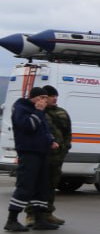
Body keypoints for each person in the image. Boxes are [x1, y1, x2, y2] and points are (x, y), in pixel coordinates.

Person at [6, 86, 60, 232]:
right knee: (26, 185)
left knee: (41, 186)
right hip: (29, 152)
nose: (44, 100)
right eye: (40, 98)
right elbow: (28, 126)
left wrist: (50, 140)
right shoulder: (21, 108)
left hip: (42, 152)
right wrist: (38, 111)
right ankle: (12, 219)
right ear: (33, 98)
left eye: (45, 98)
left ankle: (40, 219)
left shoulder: (40, 111)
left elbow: (44, 129)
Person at [27, 84, 71, 226]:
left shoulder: (62, 113)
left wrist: (65, 148)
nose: (54, 98)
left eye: (55, 96)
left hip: (57, 157)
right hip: (41, 156)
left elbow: (67, 133)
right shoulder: (37, 112)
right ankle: (31, 214)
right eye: (51, 96)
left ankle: (48, 213)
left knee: (51, 186)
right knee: (34, 186)